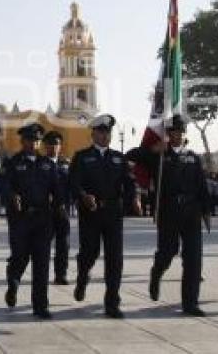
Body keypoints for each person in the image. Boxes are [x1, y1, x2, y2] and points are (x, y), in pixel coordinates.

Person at [70, 114, 140, 319]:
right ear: (93, 134)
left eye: (107, 132)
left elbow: (129, 182)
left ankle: (112, 303)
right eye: (101, 132)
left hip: (113, 214)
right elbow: (74, 183)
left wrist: (134, 197)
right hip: (90, 213)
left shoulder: (119, 158)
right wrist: (83, 196)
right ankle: (83, 276)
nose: (105, 136)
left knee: (115, 259)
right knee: (89, 253)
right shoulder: (82, 157)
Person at [147, 115, 211, 316]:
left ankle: (190, 303)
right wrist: (151, 150)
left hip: (191, 212)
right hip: (169, 212)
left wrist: (207, 211)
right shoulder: (159, 156)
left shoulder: (193, 157)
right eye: (174, 132)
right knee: (168, 252)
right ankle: (156, 273)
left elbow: (202, 186)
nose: (178, 135)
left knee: (193, 258)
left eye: (181, 132)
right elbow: (133, 156)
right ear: (168, 134)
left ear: (185, 134)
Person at [2, 123, 61, 319]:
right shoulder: (12, 163)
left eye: (37, 140)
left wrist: (60, 206)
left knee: (42, 263)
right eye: (30, 140)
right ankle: (13, 282)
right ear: (22, 141)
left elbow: (57, 189)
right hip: (20, 219)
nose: (33, 144)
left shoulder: (48, 164)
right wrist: (12, 196)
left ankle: (40, 306)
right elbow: (4, 184)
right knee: (20, 257)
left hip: (43, 219)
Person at [42, 130, 71, 285]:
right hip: (45, 212)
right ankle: (42, 274)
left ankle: (61, 274)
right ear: (45, 146)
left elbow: (72, 184)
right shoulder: (40, 164)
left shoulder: (65, 164)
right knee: (43, 245)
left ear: (60, 146)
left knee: (63, 244)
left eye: (57, 144)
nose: (54, 147)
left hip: (62, 210)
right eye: (51, 144)